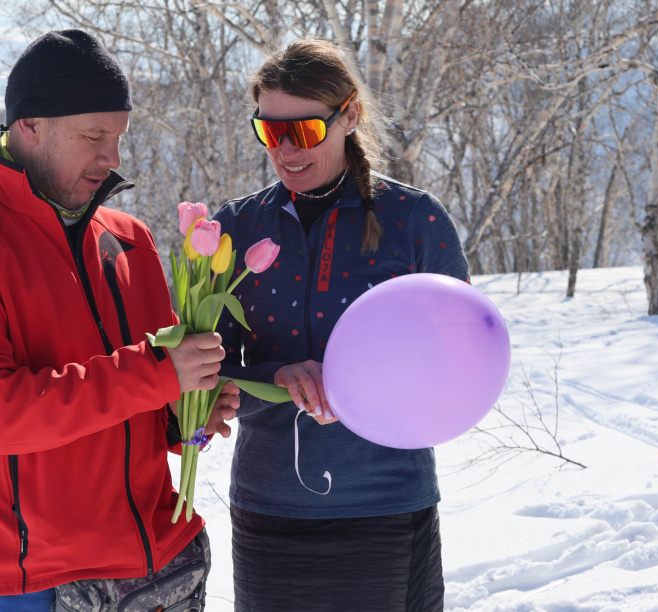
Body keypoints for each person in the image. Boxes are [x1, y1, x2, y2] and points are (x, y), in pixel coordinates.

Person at [0, 29, 238, 612]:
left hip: (154, 564)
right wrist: (157, 373)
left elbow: (140, 404)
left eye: (119, 137)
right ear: (30, 127)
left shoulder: (129, 241)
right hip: (24, 581)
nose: (113, 158)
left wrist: (186, 412)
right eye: (94, 137)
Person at [212, 38, 470, 611]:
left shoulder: (415, 220)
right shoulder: (234, 227)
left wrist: (365, 384)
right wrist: (273, 377)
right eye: (268, 131)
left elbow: (459, 367)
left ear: (348, 114)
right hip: (268, 509)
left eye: (302, 131)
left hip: (385, 506)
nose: (283, 150)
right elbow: (202, 370)